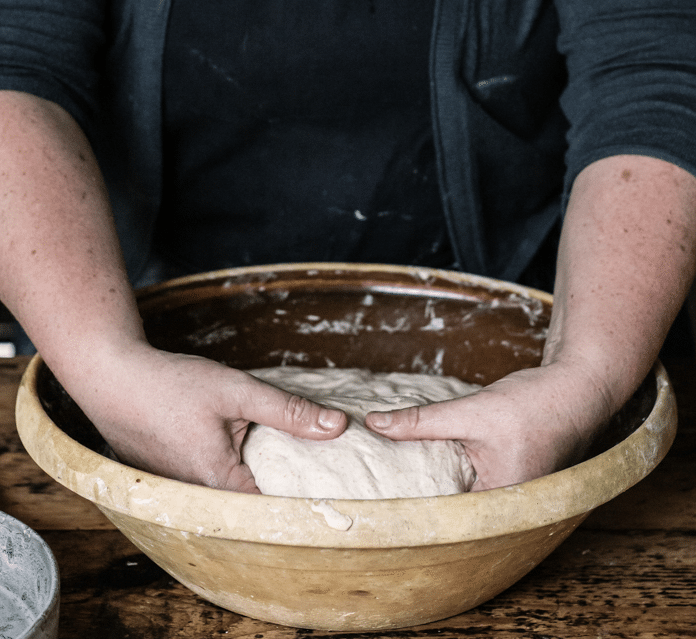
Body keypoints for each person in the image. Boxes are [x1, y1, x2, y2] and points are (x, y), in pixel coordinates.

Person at [0, 0, 695, 493]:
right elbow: (14, 67)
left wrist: (585, 378)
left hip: (522, 333)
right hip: (127, 323)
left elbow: (655, 81)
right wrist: (105, 362)